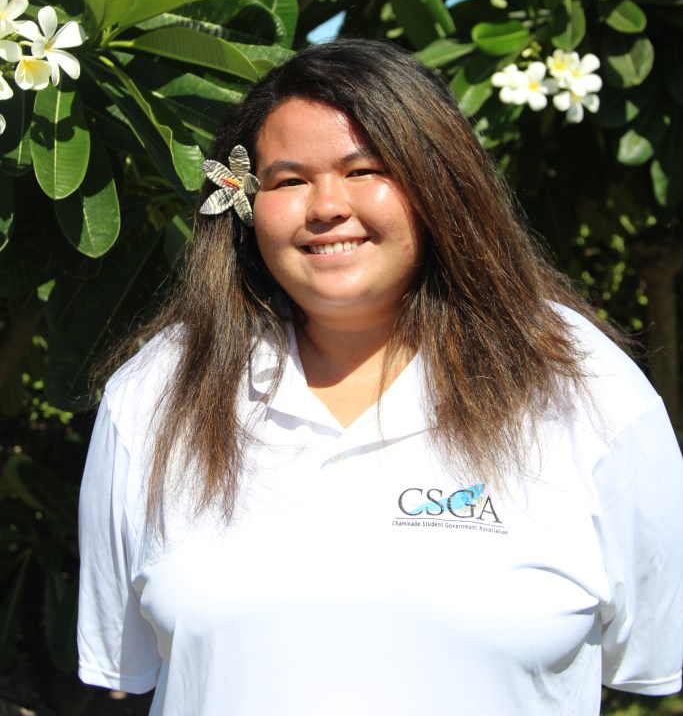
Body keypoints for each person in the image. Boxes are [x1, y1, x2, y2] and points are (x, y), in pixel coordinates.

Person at [77, 40, 683, 716]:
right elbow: (129, 663)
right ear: (243, 201)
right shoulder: (159, 392)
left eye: (364, 169)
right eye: (288, 180)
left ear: (438, 182)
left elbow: (647, 650)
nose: (326, 206)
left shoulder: (580, 384)